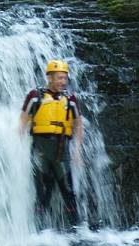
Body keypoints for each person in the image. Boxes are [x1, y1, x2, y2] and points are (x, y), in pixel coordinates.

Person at [19, 59, 84, 224]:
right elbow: (23, 120)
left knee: (68, 191)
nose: (63, 81)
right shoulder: (35, 96)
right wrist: (18, 143)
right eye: (59, 78)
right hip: (40, 150)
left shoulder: (70, 99)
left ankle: (77, 228)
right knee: (42, 192)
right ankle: (38, 231)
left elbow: (78, 125)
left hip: (62, 151)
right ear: (49, 77)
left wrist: (77, 151)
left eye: (65, 78)